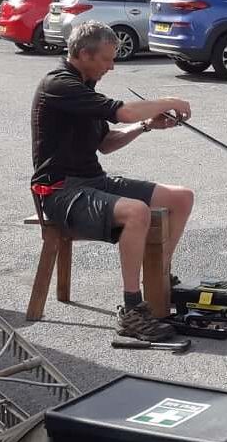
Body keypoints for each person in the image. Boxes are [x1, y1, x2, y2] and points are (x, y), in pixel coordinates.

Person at [31, 21, 196, 341]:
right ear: (83, 54)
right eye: (106, 59)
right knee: (136, 212)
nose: (111, 66)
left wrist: (148, 126)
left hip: (93, 181)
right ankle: (132, 310)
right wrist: (169, 101)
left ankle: (158, 280)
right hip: (59, 191)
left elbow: (106, 143)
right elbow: (121, 112)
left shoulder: (84, 88)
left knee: (181, 198)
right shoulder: (59, 85)